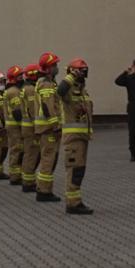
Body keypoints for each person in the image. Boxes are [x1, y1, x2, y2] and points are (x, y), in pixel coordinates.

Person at [56, 58, 95, 215]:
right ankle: (72, 203)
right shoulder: (69, 89)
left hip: (82, 137)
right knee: (74, 169)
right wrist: (71, 76)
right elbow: (60, 90)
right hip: (73, 138)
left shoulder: (82, 90)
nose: (84, 73)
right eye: (81, 70)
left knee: (79, 170)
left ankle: (76, 201)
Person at [33, 52, 63, 202]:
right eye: (54, 65)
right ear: (48, 68)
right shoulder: (45, 84)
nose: (57, 67)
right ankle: (44, 191)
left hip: (47, 128)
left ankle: (44, 189)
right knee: (48, 159)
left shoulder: (48, 82)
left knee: (50, 157)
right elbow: (47, 106)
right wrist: (55, 124)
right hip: (48, 128)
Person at [20, 65, 45, 193]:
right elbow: (32, 109)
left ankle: (27, 179)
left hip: (27, 127)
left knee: (29, 153)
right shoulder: (30, 89)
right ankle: (28, 182)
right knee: (32, 154)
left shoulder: (26, 88)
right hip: (31, 128)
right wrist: (38, 127)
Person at [3, 66, 28, 187]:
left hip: (13, 126)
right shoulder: (14, 92)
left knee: (17, 149)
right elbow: (17, 112)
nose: (21, 78)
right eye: (19, 76)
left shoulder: (13, 90)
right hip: (15, 127)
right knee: (16, 149)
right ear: (13, 78)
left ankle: (16, 174)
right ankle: (15, 176)